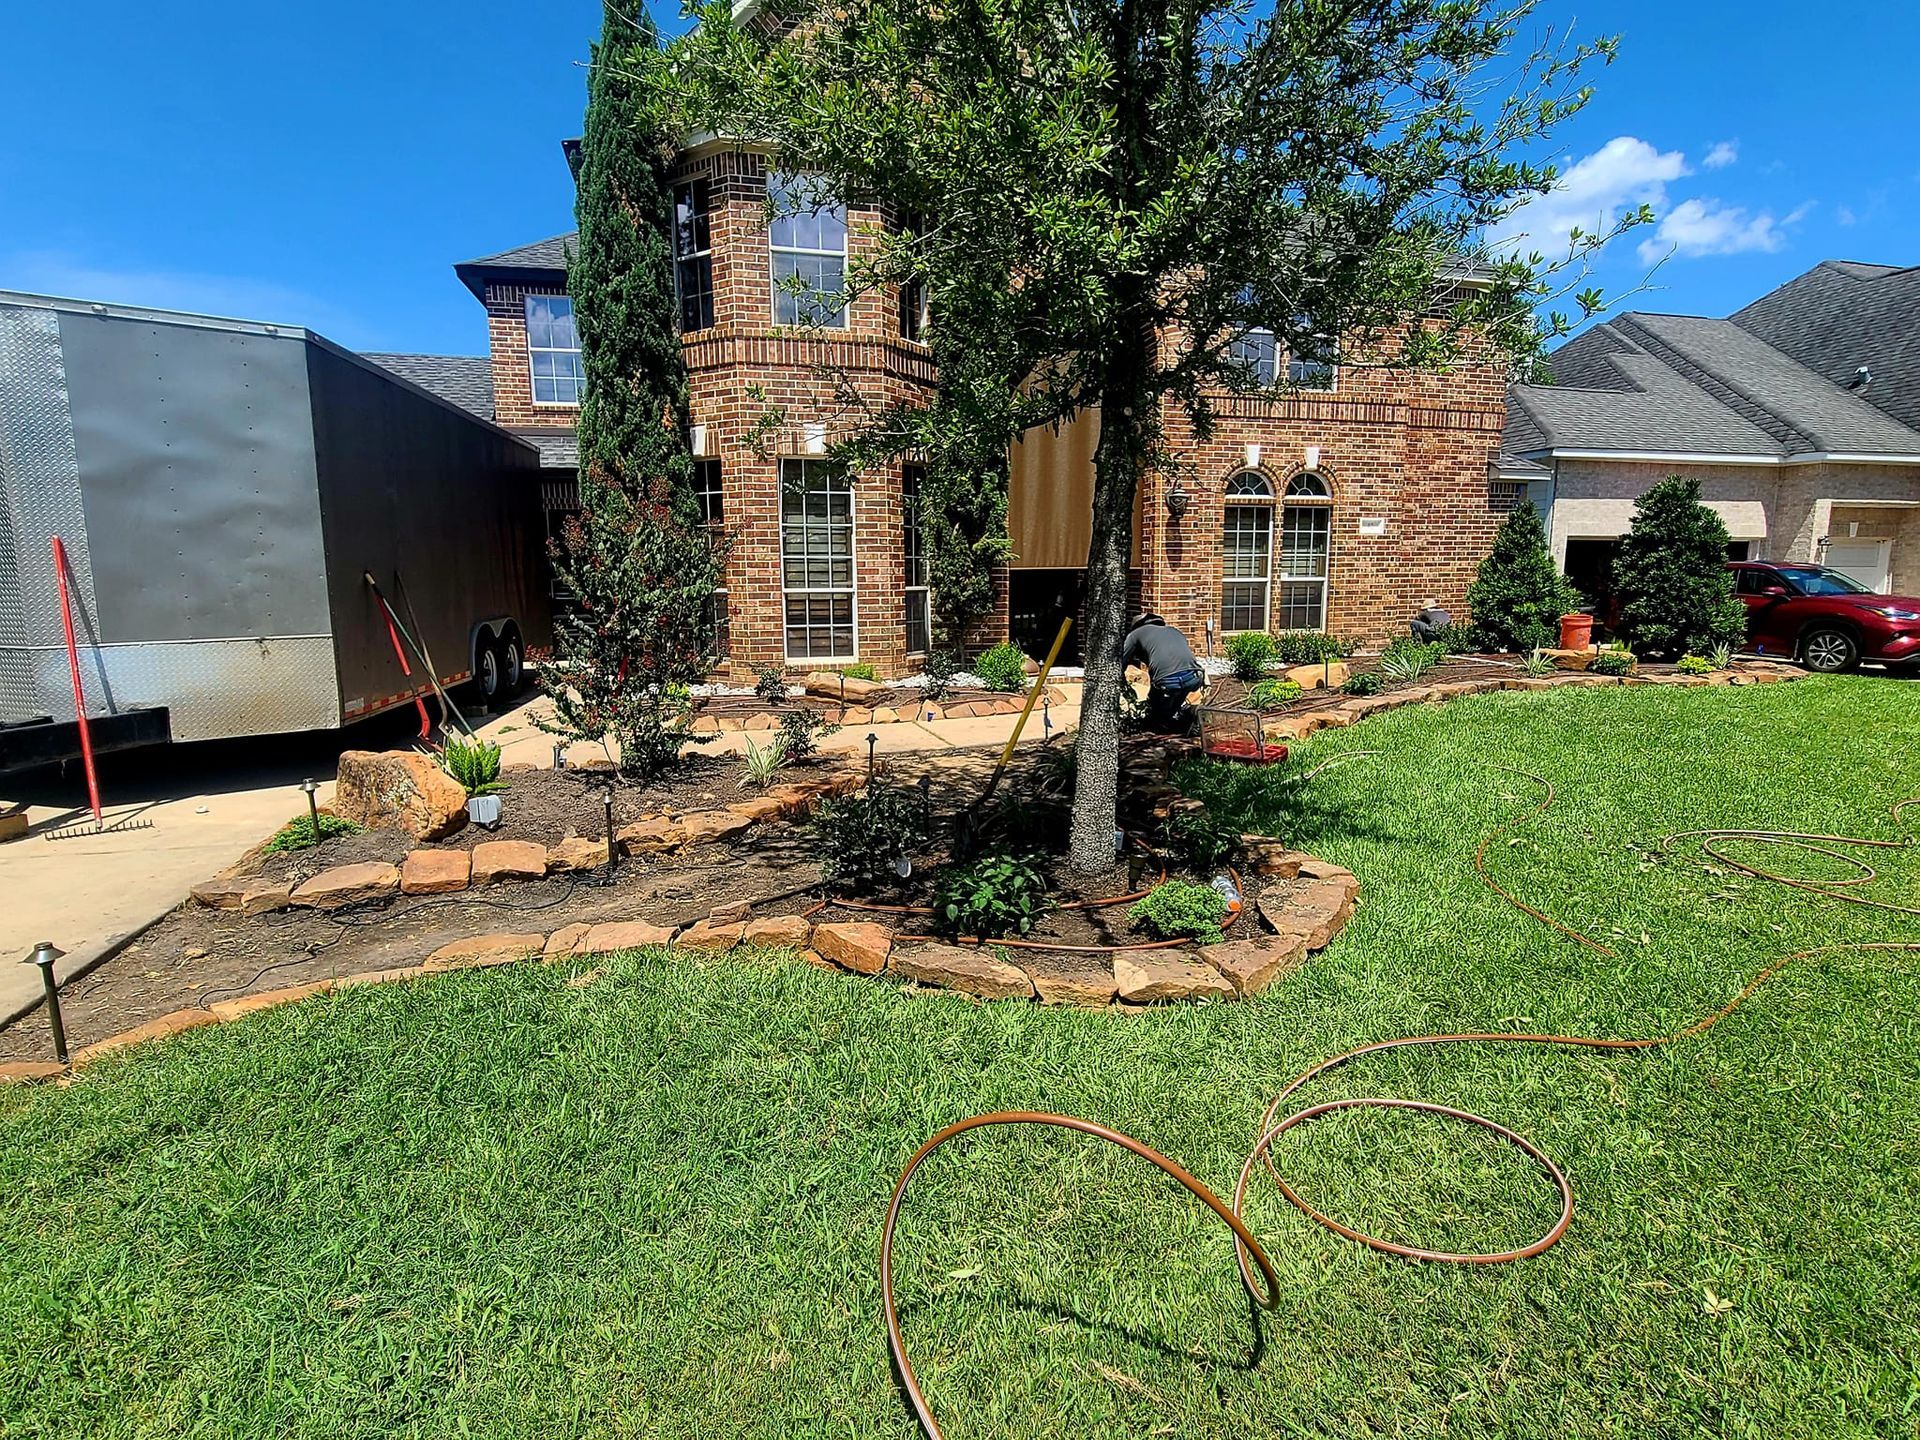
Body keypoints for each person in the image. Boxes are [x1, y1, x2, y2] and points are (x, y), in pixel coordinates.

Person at [1122, 613, 1204, 731]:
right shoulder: (1174, 631)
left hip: (1169, 682)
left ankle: (1165, 724)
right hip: (1194, 677)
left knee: (1155, 709)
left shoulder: (1135, 634)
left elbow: (1120, 660)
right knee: (1173, 701)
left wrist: (1121, 680)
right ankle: (1186, 715)